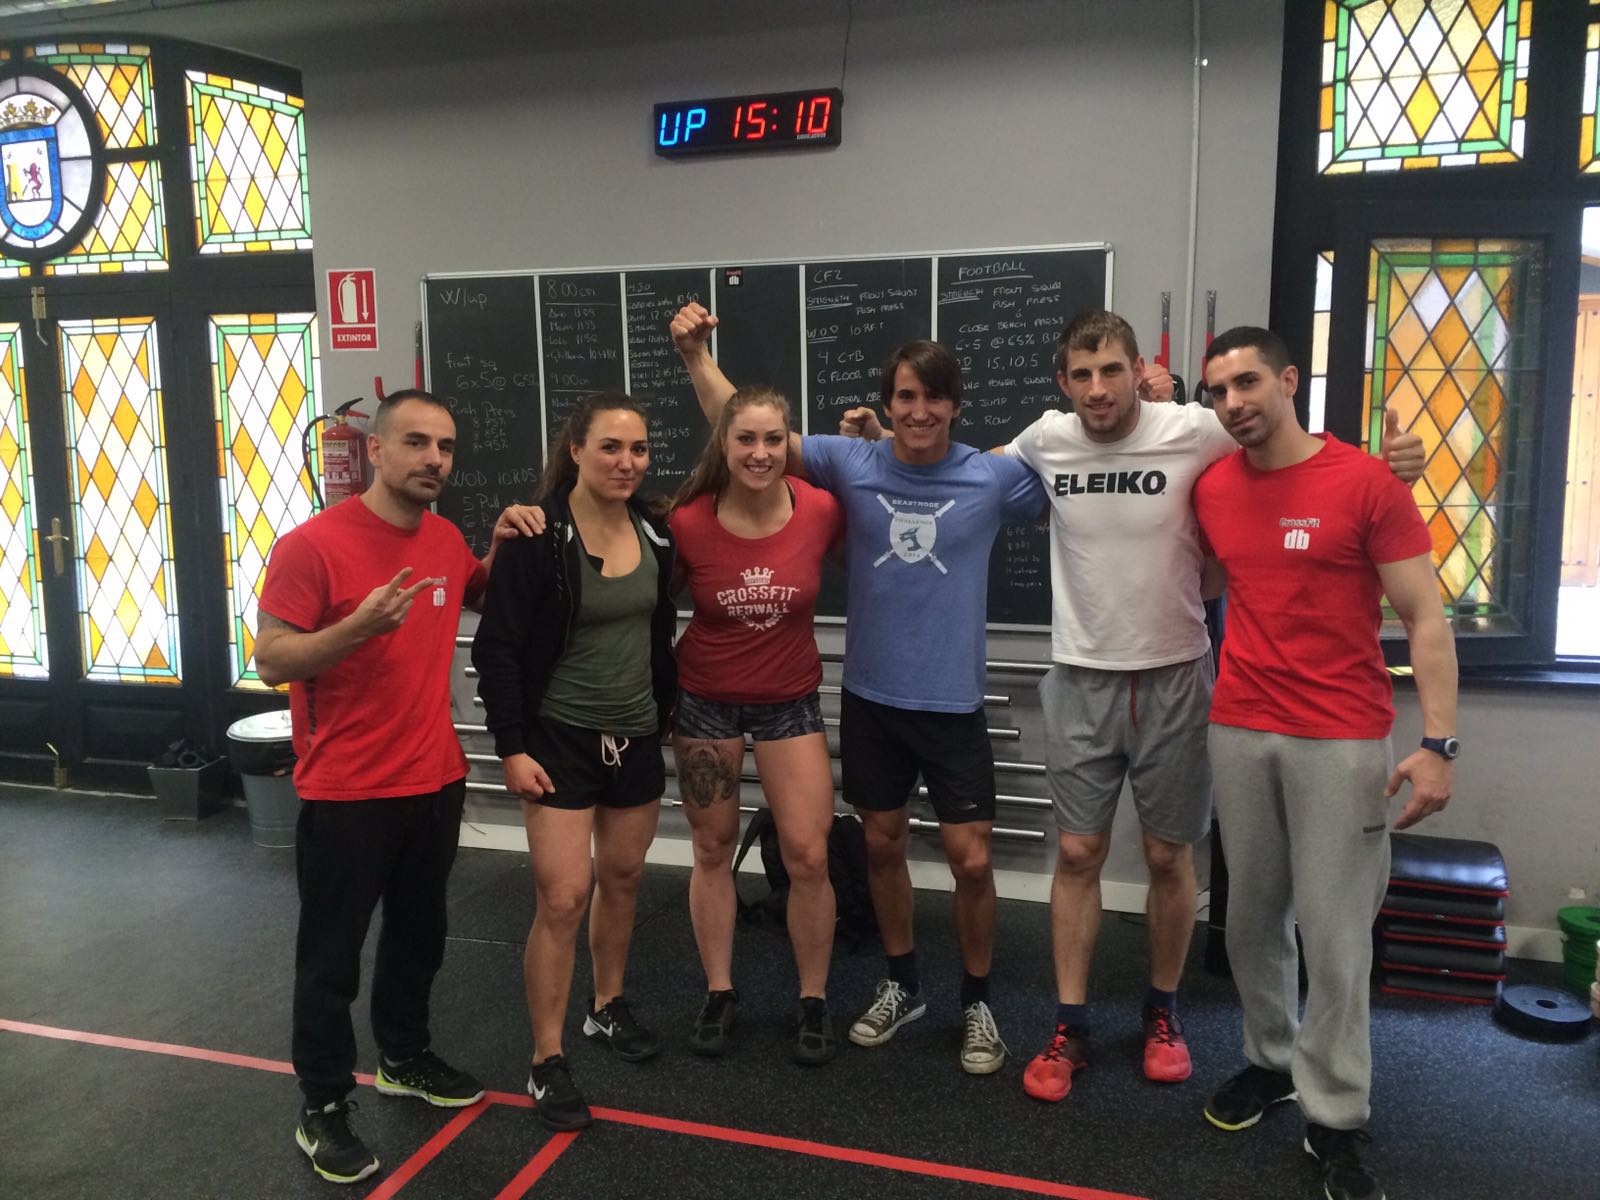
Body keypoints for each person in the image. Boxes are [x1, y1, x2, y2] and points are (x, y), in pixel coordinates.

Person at [845, 310, 1423, 1106]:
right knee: (1078, 854)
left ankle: (1162, 1013)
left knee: (1166, 857)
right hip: (1081, 676)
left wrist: (1389, 465)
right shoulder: (1045, 438)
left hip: (1176, 677)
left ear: (1136, 368)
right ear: (1063, 382)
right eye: (1081, 375)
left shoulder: (1195, 428)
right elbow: (950, 468)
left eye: (1111, 370)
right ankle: (1069, 1024)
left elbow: (1293, 456)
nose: (1097, 389)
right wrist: (885, 440)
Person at [672, 302, 1043, 1075]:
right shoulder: (851, 461)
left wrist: (1159, 403)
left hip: (953, 703)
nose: (919, 410)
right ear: (887, 403)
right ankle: (902, 983)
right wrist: (698, 357)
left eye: (933, 397)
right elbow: (745, 425)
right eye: (905, 396)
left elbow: (1086, 465)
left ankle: (977, 1001)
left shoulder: (993, 477)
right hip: (873, 698)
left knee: (972, 861)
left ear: (955, 405)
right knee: (879, 846)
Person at [1193, 326, 1457, 1200]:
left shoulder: (1367, 482)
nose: (1233, 403)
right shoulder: (1214, 488)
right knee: (1249, 920)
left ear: (1288, 380)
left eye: (1247, 383)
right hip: (1239, 726)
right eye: (1217, 391)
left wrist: (1438, 744)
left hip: (1342, 738)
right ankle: (1271, 1059)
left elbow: (1425, 618)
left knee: (1336, 935)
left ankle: (1336, 1115)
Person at [256, 388, 538, 1186]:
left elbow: (478, 590)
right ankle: (322, 1103)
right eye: (416, 442)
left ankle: (404, 1057)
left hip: (434, 778)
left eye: (445, 447)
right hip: (346, 790)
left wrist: (502, 544)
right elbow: (272, 659)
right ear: (375, 451)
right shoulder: (312, 546)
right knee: (331, 956)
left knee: (420, 937)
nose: (433, 459)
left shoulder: (444, 538)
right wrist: (357, 628)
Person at [471, 392, 678, 1133]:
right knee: (563, 899)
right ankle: (546, 1057)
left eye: (639, 449)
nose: (627, 462)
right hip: (557, 739)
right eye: (611, 447)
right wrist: (512, 746)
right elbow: (496, 647)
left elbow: (656, 635)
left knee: (621, 880)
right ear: (577, 451)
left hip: (636, 736)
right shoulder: (536, 533)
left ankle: (606, 1005)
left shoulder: (656, 533)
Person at [668, 385, 845, 1065]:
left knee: (808, 855)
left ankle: (813, 1000)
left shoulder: (821, 509)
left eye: (774, 439)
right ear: (724, 443)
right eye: (745, 438)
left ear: (788, 442)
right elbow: (640, 597)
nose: (761, 452)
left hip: (789, 701)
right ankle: (720, 991)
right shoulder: (688, 521)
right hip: (705, 701)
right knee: (712, 850)